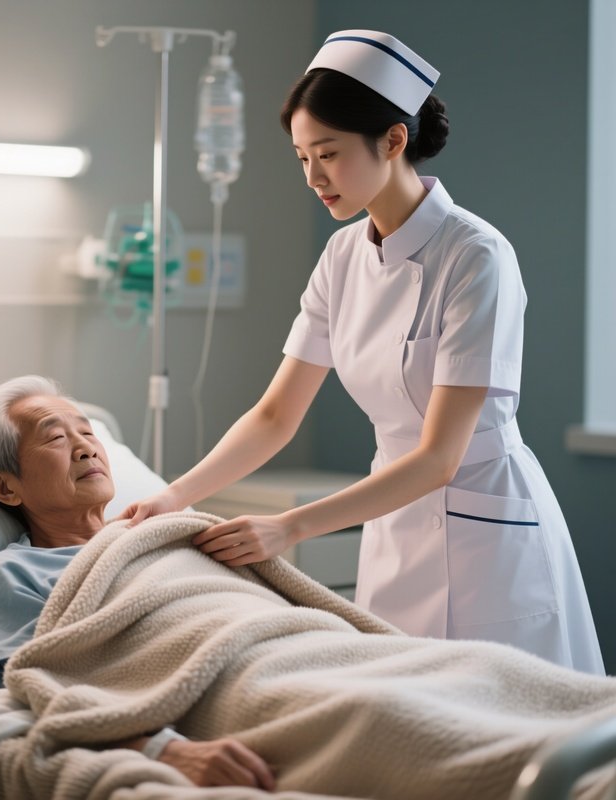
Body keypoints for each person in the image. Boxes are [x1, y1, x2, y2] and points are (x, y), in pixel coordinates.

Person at [120, 30, 604, 676]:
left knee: (501, 715)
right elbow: (275, 416)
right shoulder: (342, 256)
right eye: (301, 157)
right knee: (398, 709)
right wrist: (173, 496)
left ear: (394, 140)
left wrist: (290, 527)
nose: (313, 177)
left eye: (328, 154)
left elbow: (439, 459)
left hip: (484, 532)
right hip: (392, 522)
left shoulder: (475, 257)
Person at [0, 375, 276, 791]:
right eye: (55, 439)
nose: (86, 448)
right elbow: (33, 690)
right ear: (5, 486)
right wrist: (157, 747)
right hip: (224, 696)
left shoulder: (168, 534)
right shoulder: (15, 573)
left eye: (88, 433)